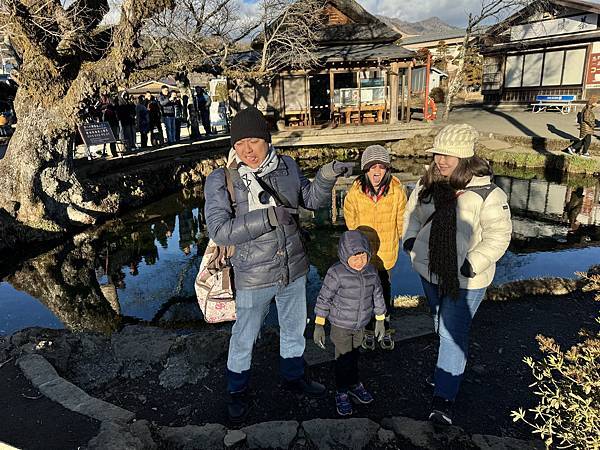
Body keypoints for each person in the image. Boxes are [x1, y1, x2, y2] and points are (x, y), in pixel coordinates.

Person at [204, 106, 354, 423]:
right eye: (240, 143)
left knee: (294, 328)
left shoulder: (286, 166)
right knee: (244, 337)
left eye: (254, 141)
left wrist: (327, 176)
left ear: (267, 140)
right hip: (252, 275)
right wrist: (268, 217)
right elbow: (219, 230)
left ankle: (293, 376)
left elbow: (310, 200)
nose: (247, 150)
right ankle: (236, 391)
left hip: (294, 267)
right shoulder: (223, 179)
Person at [402, 124, 512, 426]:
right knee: (439, 326)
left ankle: (444, 398)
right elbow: (411, 214)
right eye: (438, 153)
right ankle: (445, 372)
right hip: (430, 270)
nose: (441, 160)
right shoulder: (430, 183)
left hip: (467, 278)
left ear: (464, 157)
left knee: (452, 334)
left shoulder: (489, 193)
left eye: (448, 155)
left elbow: (499, 235)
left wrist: (473, 262)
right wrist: (410, 241)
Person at [313, 230, 386, 416]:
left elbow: (378, 295)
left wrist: (380, 320)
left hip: (360, 324)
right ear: (345, 255)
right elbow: (324, 299)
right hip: (341, 326)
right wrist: (319, 324)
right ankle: (342, 391)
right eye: (354, 256)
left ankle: (354, 384)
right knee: (343, 359)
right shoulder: (336, 273)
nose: (359, 260)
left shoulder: (371, 271)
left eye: (362, 254)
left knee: (354, 356)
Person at [343, 145, 407, 350]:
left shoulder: (397, 191)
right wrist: (357, 247)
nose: (376, 172)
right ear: (365, 169)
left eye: (381, 167)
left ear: (387, 169)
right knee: (365, 290)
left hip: (387, 251)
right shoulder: (355, 192)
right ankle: (368, 326)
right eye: (372, 167)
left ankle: (385, 323)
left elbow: (401, 221)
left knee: (384, 288)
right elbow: (350, 219)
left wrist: (397, 239)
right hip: (365, 253)